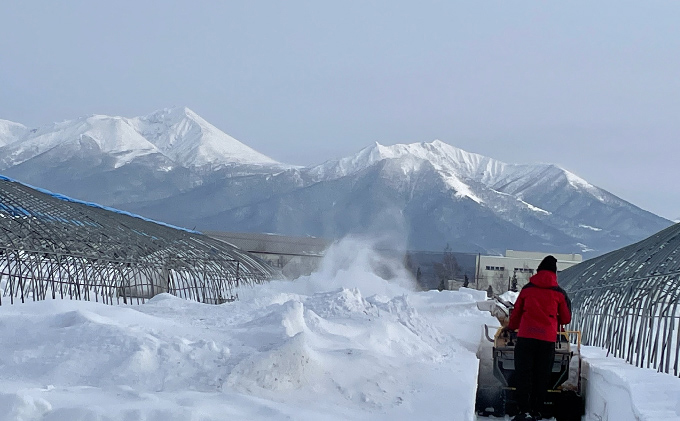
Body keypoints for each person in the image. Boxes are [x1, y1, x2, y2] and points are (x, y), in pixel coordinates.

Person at [504, 255, 572, 421]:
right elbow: (566, 319)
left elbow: (517, 313)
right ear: (554, 273)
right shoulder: (559, 293)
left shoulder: (527, 289)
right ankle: (537, 410)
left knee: (523, 373)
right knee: (541, 375)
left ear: (539, 270)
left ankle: (523, 410)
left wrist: (511, 328)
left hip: (526, 338)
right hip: (547, 341)